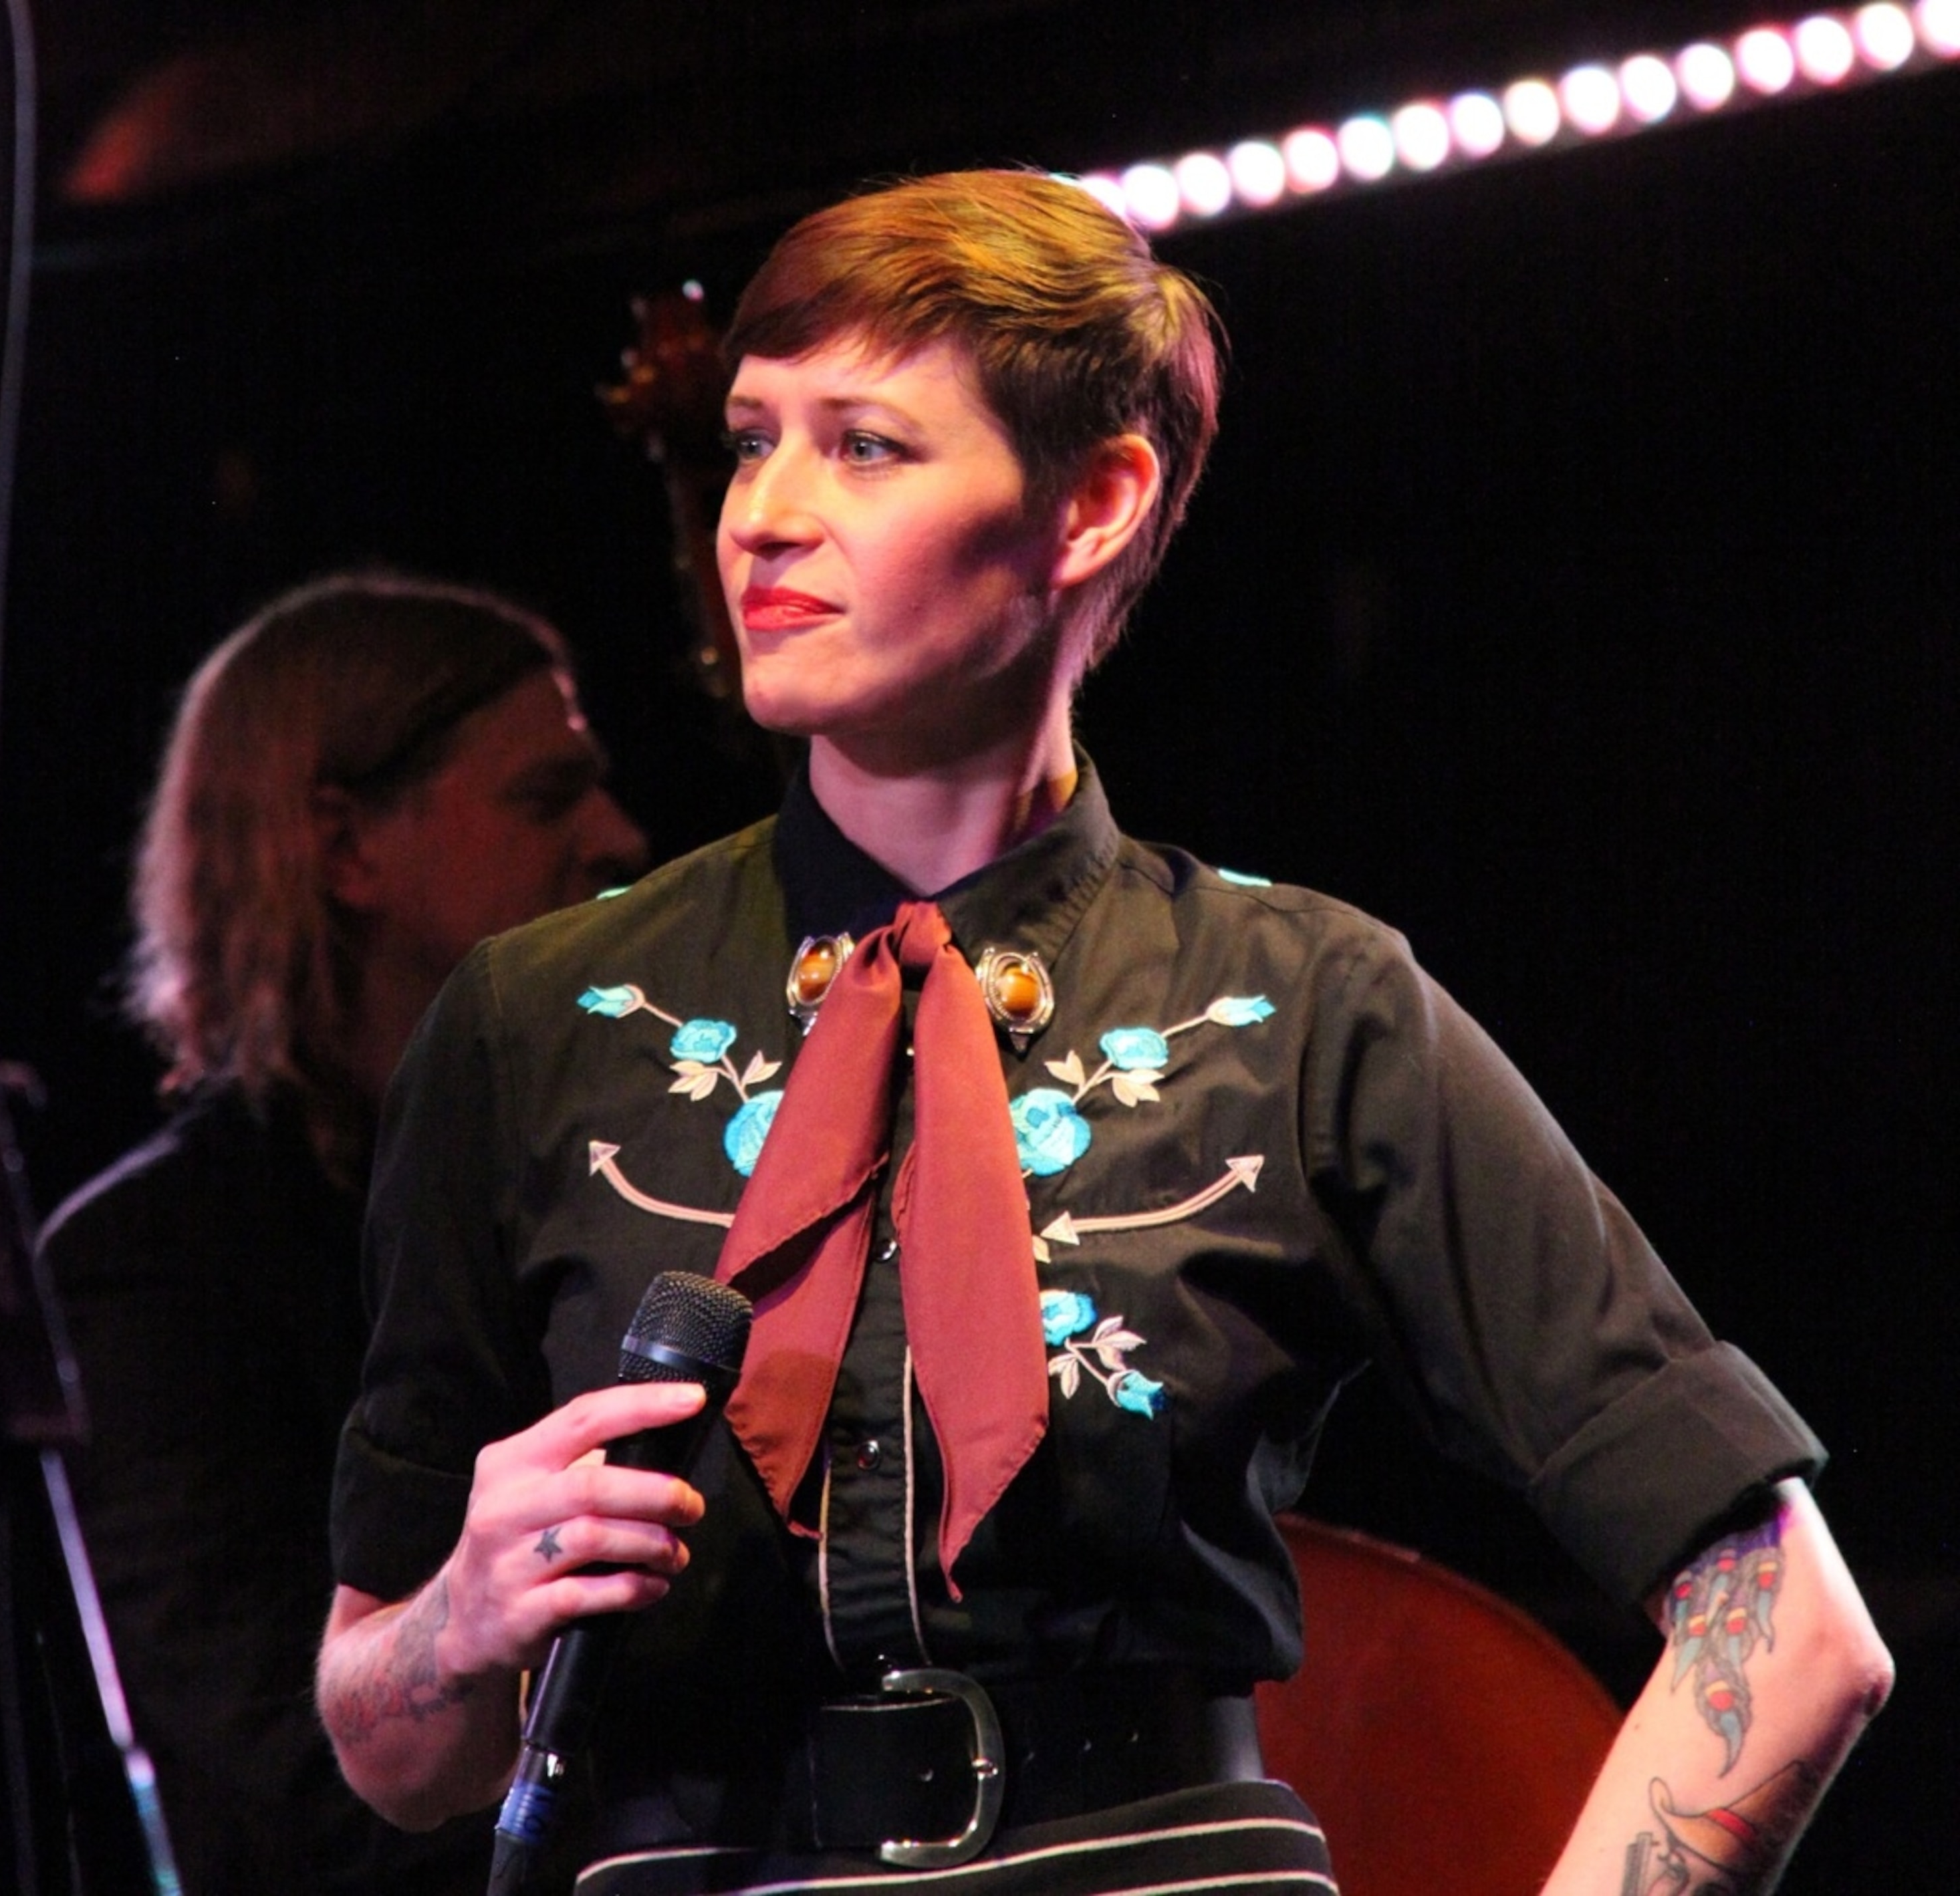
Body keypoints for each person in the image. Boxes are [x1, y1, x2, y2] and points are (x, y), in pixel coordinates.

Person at [316, 174, 1890, 1896]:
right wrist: (458, 1620)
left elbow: (1790, 1626)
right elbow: (389, 1749)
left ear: (1094, 504)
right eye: (753, 440)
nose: (762, 514)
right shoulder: (535, 1023)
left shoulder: (1304, 1003)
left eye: (865, 447)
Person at [38, 571, 649, 1896]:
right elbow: (287, 1780)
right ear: (348, 847)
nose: (620, 836)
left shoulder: (607, 1180)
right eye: (547, 795)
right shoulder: (150, 1268)